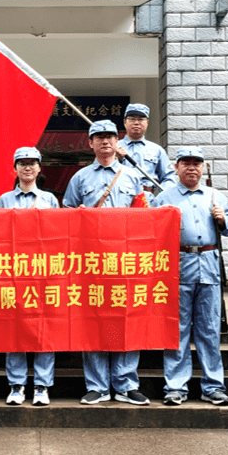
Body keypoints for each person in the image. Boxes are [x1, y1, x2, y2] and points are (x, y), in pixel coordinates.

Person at [62, 119, 149, 406]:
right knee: (93, 321)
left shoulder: (131, 176)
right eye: (98, 137)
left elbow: (143, 215)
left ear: (117, 141)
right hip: (91, 262)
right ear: (90, 143)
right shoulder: (80, 178)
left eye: (110, 136)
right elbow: (66, 215)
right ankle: (97, 385)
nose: (105, 141)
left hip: (124, 261)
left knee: (126, 320)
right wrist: (78, 214)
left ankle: (126, 384)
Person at [155, 146, 228, 406]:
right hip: (178, 268)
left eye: (197, 163)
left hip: (209, 267)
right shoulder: (164, 197)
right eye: (186, 163)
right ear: (176, 167)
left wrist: (223, 219)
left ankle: (213, 386)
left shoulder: (215, 196)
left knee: (209, 330)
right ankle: (176, 386)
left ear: (203, 168)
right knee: (177, 330)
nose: (192, 168)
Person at [0, 146, 59, 407]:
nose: (27, 167)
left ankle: (42, 385)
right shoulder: (4, 200)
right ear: (15, 168)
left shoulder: (49, 199)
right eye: (22, 163)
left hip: (43, 271)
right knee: (15, 328)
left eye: (32, 163)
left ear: (39, 168)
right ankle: (17, 384)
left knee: (44, 328)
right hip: (13, 271)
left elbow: (58, 236)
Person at [115, 103, 176, 199]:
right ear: (125, 122)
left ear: (147, 122)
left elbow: (168, 177)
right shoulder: (114, 147)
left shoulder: (157, 150)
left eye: (141, 119)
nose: (136, 123)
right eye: (132, 119)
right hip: (120, 198)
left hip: (147, 199)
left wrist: (163, 197)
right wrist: (117, 160)